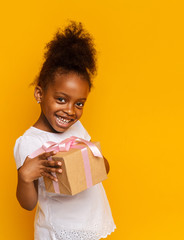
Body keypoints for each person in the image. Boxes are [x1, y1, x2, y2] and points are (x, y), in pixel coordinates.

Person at [14, 21, 116, 240]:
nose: (70, 111)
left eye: (79, 104)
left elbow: (103, 168)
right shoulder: (30, 142)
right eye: (61, 99)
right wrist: (24, 177)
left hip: (90, 224)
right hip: (58, 232)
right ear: (40, 94)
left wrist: (96, 160)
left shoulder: (76, 128)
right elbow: (28, 204)